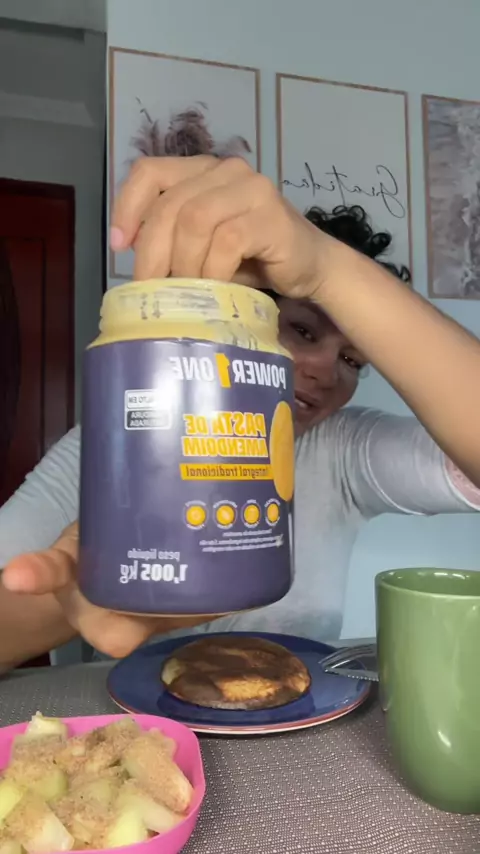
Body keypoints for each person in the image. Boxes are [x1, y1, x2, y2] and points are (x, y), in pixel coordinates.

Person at [1, 154, 480, 672]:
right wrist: (89, 590)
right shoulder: (113, 440)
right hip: (135, 715)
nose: (325, 370)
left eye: (351, 360)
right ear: (242, 320)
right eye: (302, 330)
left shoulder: (342, 449)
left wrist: (329, 269)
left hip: (302, 711)